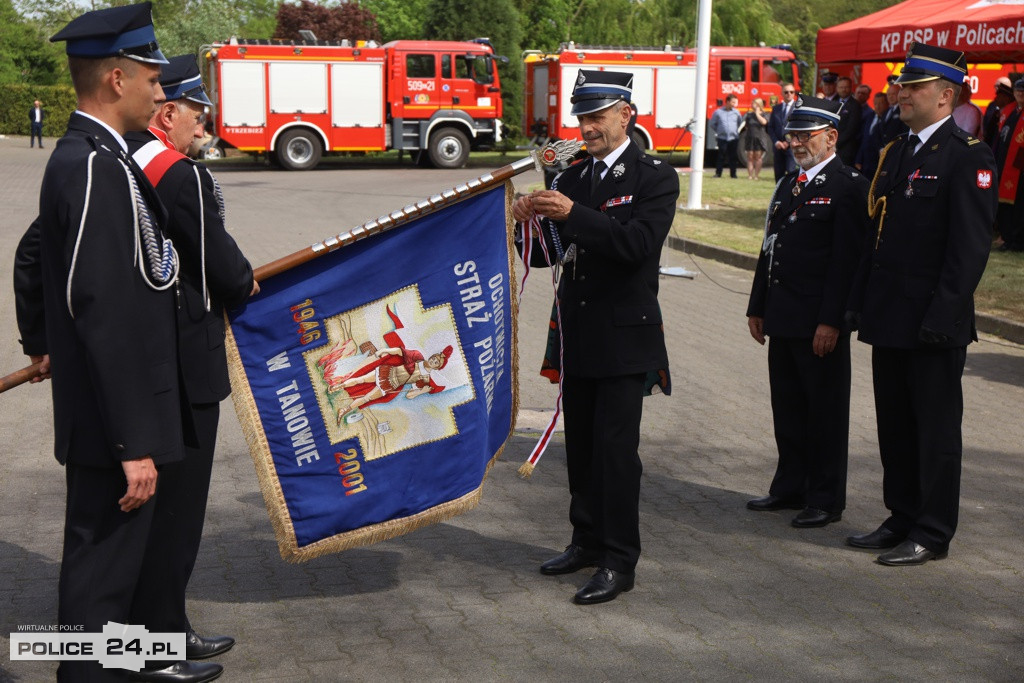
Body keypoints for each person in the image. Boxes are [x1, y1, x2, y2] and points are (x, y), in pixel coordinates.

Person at [11, 4, 222, 682]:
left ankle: (139, 664)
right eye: (152, 79)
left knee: (110, 600)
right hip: (114, 431)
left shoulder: (101, 160)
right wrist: (136, 443)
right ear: (115, 77)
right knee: (97, 599)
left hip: (117, 421)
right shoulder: (95, 166)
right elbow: (104, 314)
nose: (161, 93)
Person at [511, 70, 678, 605]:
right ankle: (584, 541)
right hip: (579, 336)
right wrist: (523, 224)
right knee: (581, 451)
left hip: (626, 339)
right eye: (582, 117)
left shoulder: (654, 176)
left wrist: (573, 215)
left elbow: (636, 246)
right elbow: (544, 256)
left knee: (615, 455)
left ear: (626, 114)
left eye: (597, 116)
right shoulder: (571, 178)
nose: (587, 127)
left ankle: (618, 560)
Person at [123, 54, 258, 680]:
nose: (205, 121)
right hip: (186, 366)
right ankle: (156, 643)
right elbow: (227, 270)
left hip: (146, 363)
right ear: (169, 111)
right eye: (196, 110)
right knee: (176, 516)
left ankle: (167, 629)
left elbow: (37, 244)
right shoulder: (180, 176)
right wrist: (246, 285)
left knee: (160, 514)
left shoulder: (124, 162)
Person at [847, 43, 997, 566]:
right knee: (895, 424)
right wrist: (858, 302)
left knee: (933, 431)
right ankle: (901, 514)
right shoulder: (900, 149)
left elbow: (969, 248)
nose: (900, 92)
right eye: (901, 84)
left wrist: (943, 315)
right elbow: (879, 235)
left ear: (946, 95)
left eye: (913, 86)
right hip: (890, 314)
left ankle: (932, 531)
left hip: (933, 321)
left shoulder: (968, 155)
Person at [746, 96, 868, 529]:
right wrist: (757, 305)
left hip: (819, 322)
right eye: (793, 135)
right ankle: (789, 486)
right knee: (789, 409)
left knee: (824, 414)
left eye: (806, 135)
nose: (796, 143)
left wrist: (833, 320)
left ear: (831, 137)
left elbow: (847, 262)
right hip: (783, 317)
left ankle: (825, 497)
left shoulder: (849, 185)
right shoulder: (787, 185)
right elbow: (768, 250)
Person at [993, 79, 1024, 251]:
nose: (1020, 93)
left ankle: (1017, 241)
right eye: (1018, 90)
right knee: (1005, 206)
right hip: (1005, 165)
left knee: (1019, 206)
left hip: (1020, 170)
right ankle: (1007, 237)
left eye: (1023, 91)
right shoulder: (1011, 112)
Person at [855, 92, 890, 177]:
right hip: (866, 162)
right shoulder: (870, 116)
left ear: (887, 103)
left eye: (881, 103)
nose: (878, 106)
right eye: (876, 103)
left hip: (879, 162)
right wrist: (859, 159)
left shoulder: (889, 119)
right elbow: (864, 139)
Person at [768, 83, 799, 180]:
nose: (789, 94)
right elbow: (770, 127)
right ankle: (779, 195)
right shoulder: (776, 108)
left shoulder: (798, 108)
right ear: (782, 93)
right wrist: (776, 142)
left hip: (792, 147)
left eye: (791, 92)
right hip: (778, 148)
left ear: (794, 93)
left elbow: (799, 128)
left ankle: (791, 194)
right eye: (786, 92)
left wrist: (789, 142)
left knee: (791, 173)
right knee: (778, 175)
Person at [710, 94, 742, 178]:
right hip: (722, 138)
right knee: (721, 156)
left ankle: (733, 174)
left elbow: (739, 122)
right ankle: (718, 173)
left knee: (733, 157)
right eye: (733, 102)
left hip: (733, 138)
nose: (735, 104)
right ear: (727, 102)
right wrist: (720, 131)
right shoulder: (718, 112)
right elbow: (712, 124)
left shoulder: (736, 112)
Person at [835, 76, 863, 165]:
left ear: (851, 88)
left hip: (845, 150)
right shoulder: (833, 103)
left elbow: (851, 130)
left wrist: (835, 143)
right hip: (830, 147)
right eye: (841, 87)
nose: (843, 90)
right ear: (837, 88)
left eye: (846, 87)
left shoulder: (855, 105)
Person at [982, 76, 1013, 148]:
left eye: (999, 96)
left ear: (1006, 98)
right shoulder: (993, 107)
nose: (995, 98)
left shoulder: (1011, 114)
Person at [743, 98, 768, 179]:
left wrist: (757, 114)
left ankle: (756, 175)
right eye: (752, 103)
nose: (752, 105)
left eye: (754, 103)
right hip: (750, 138)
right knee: (750, 157)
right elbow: (746, 126)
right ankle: (750, 175)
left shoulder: (764, 114)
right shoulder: (749, 115)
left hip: (759, 138)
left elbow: (764, 122)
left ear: (759, 105)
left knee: (758, 157)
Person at [879, 77, 909, 147]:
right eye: (888, 94)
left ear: (900, 93)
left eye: (893, 94)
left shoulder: (904, 109)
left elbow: (905, 131)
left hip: (897, 148)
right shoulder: (886, 111)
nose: (890, 97)